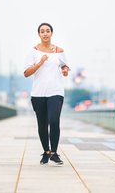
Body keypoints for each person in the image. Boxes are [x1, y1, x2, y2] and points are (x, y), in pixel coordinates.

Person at [24, 23, 70, 166]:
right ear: (39, 34)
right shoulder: (33, 51)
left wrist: (65, 70)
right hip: (38, 93)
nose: (45, 33)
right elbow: (26, 73)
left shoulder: (59, 50)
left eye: (47, 31)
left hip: (55, 91)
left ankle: (54, 153)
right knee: (42, 125)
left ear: (51, 33)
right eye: (42, 31)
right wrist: (40, 63)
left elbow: (64, 65)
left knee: (54, 121)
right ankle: (46, 152)